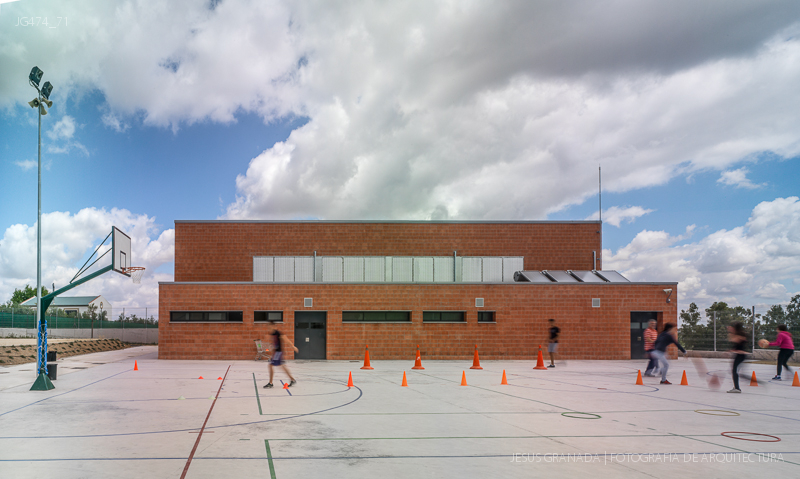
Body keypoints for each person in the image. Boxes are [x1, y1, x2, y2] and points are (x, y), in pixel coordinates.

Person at [263, 321, 299, 389]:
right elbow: (275, 344)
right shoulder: (272, 334)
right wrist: (272, 352)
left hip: (278, 352)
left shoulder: (278, 333)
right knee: (282, 366)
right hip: (276, 353)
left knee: (271, 365)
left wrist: (293, 347)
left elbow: (286, 339)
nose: (268, 327)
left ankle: (271, 383)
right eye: (268, 326)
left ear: (273, 326)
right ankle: (292, 379)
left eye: (270, 326)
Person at [727, 322, 749, 393]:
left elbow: (733, 340)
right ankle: (736, 387)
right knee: (734, 371)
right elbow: (736, 345)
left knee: (734, 371)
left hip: (740, 355)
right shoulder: (741, 334)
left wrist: (731, 332)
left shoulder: (740, 335)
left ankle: (737, 388)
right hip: (740, 355)